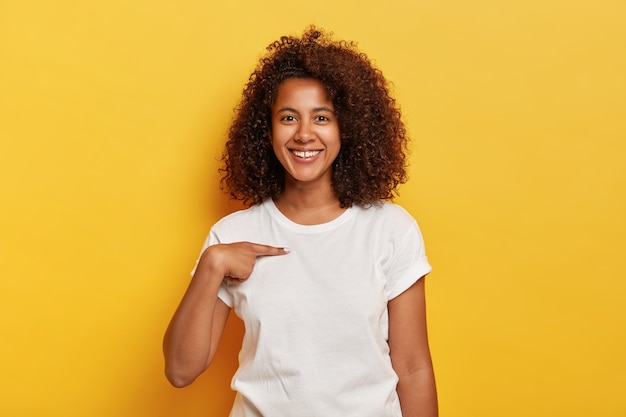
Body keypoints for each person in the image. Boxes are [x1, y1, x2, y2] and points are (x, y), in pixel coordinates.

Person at [163, 26, 438, 417]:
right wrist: (211, 267)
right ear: (267, 130)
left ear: (348, 128)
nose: (304, 134)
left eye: (322, 117)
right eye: (288, 117)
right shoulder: (232, 236)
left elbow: (412, 368)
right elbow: (179, 370)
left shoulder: (390, 229)